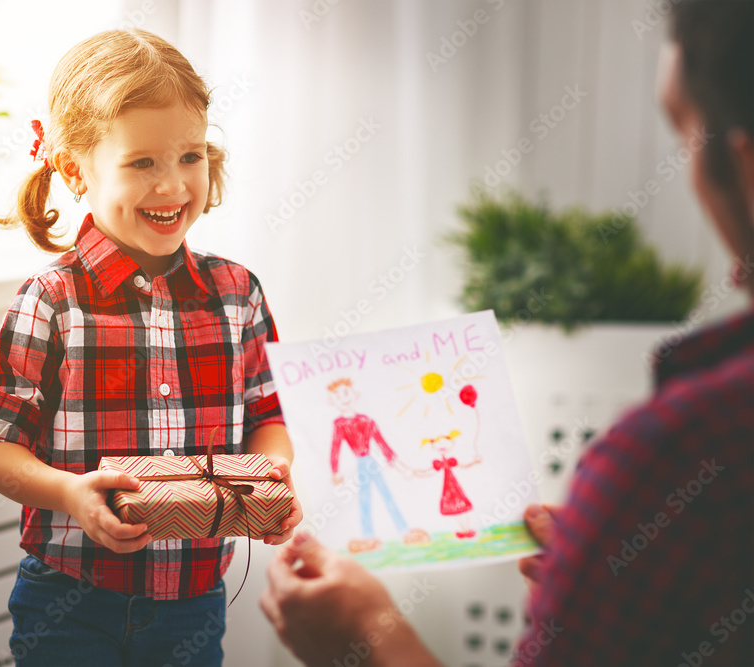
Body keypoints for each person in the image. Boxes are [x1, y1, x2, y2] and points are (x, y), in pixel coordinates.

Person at [260, 0, 753, 665]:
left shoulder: (673, 455)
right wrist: (607, 572)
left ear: (745, 168)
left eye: (686, 134)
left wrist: (369, 640)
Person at [0, 29, 302, 666]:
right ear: (74, 169)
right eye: (142, 162)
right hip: (68, 601)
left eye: (190, 157)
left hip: (195, 605)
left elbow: (269, 420)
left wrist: (269, 481)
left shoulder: (237, 293)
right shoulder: (51, 300)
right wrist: (69, 495)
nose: (172, 185)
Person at [328, 378, 430, 551]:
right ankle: (369, 536)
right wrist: (335, 471)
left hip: (371, 462)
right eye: (338, 395)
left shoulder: (367, 421)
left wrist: (401, 467)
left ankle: (405, 531)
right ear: (332, 401)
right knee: (364, 498)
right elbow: (335, 447)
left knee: (386, 494)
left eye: (346, 393)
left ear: (355, 395)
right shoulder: (340, 424)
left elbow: (383, 445)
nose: (343, 398)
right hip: (361, 464)